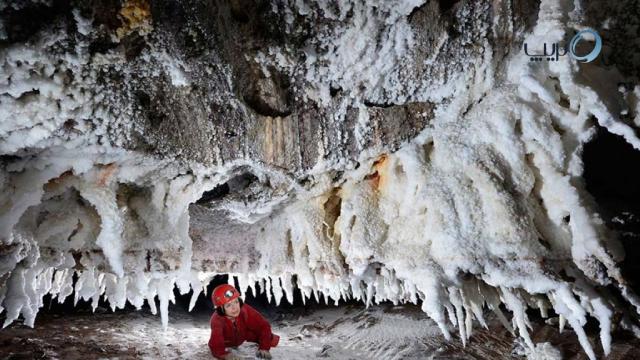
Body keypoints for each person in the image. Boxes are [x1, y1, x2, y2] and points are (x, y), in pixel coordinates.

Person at [208, 284, 280, 359]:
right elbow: (216, 344)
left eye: (236, 302)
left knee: (270, 338)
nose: (234, 308)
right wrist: (224, 355)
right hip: (227, 341)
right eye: (228, 305)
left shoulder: (244, 309)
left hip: (243, 334)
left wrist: (264, 348)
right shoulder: (217, 320)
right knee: (215, 346)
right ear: (220, 309)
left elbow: (263, 325)